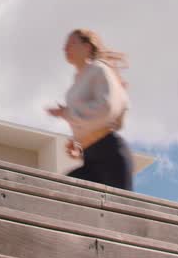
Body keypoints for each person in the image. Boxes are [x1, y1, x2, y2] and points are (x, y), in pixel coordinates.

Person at [46, 28, 132, 190]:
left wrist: (67, 113)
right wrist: (79, 141)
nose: (65, 48)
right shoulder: (77, 82)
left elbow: (106, 108)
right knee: (62, 193)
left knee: (119, 207)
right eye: (65, 45)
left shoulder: (99, 69)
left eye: (71, 43)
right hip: (90, 158)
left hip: (111, 155)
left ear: (87, 47)